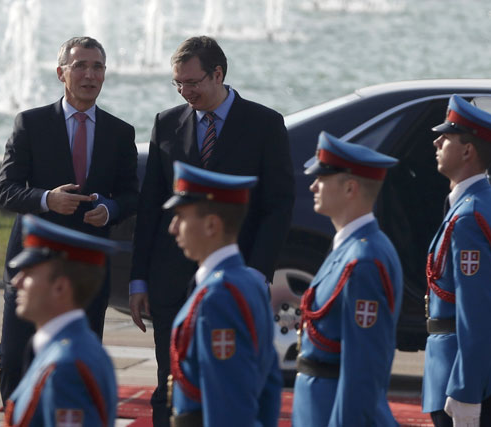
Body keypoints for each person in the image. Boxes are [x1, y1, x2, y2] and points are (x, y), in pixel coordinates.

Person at [128, 35, 294, 425]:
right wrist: (138, 279)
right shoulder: (166, 124)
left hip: (236, 280)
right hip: (170, 282)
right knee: (170, 385)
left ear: (218, 74)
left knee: (226, 384)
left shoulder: (264, 124)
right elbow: (151, 208)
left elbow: (278, 205)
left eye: (193, 82)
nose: (186, 92)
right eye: (178, 84)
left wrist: (256, 272)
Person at [0, 36, 139, 404]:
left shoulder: (120, 133)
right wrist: (46, 199)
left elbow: (129, 195)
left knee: (78, 365)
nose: (90, 75)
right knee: (14, 357)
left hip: (86, 270)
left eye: (98, 67)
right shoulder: (31, 123)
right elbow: (6, 189)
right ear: (62, 73)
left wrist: (110, 210)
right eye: (80, 66)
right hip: (33, 264)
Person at [421, 94, 491, 427]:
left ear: (467, 151)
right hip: (481, 370)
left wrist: (466, 389)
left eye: (447, 136)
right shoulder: (485, 206)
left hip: (466, 377)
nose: (437, 141)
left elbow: (479, 312)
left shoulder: (471, 218)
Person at [291, 131, 403, 426]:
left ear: (350, 188)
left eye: (323, 178)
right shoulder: (351, 247)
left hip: (337, 412)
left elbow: (363, 367)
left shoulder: (364, 260)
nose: (313, 185)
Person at [164, 161, 282, 426]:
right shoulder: (249, 282)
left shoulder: (218, 297)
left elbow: (228, 407)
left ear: (211, 225)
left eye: (180, 216)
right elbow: (270, 386)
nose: (172, 227)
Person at [3, 214, 119, 427]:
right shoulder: (66, 348)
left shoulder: (66, 367)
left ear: (60, 288)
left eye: (28, 273)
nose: (17, 281)